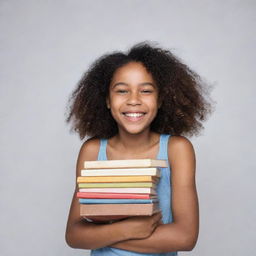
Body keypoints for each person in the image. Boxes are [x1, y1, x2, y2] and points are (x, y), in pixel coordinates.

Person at [65, 41, 212, 255]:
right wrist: (129, 228)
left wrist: (103, 235)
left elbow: (185, 237)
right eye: (122, 91)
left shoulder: (176, 150)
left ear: (160, 99)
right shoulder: (93, 151)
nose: (134, 100)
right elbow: (74, 234)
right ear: (107, 99)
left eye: (146, 90)